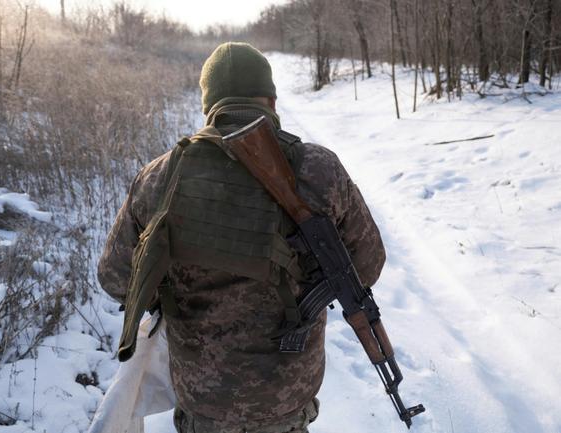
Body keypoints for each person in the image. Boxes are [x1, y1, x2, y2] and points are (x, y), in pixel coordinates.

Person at [97, 42, 386, 433]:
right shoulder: (320, 169)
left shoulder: (159, 177)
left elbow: (116, 279)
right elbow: (367, 266)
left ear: (208, 105)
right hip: (287, 400)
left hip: (203, 400)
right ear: (270, 98)